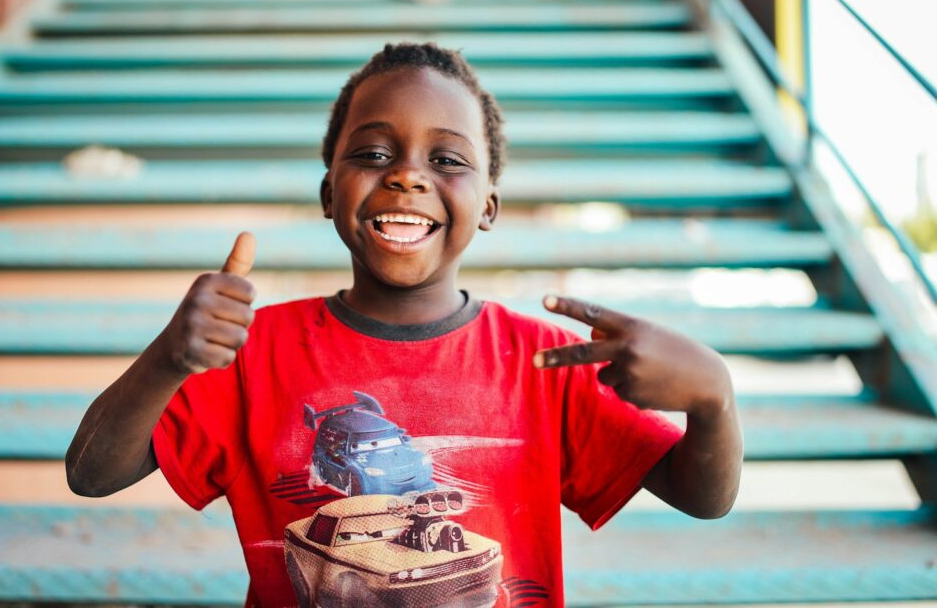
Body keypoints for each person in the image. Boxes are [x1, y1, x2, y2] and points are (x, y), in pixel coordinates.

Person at [65, 42, 743, 607]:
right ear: (330, 191)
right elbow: (91, 474)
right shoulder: (250, 352)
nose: (408, 178)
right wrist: (170, 358)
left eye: (446, 160)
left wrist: (713, 397)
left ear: (488, 205)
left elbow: (702, 496)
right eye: (374, 154)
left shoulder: (543, 360)